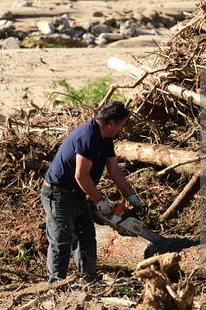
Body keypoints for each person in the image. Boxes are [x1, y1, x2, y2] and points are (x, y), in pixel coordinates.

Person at [41, 101, 142, 283]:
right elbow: (81, 176)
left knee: (86, 238)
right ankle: (55, 286)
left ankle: (88, 280)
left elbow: (114, 170)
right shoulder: (88, 136)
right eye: (121, 125)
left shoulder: (105, 138)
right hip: (58, 194)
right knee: (61, 242)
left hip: (77, 194)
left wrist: (132, 197)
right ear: (111, 123)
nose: (121, 129)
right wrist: (100, 200)